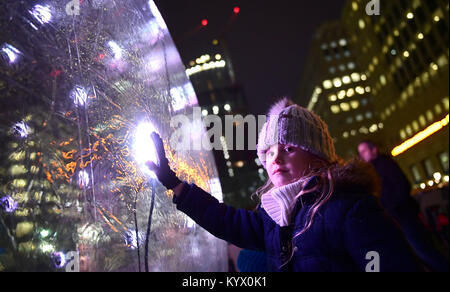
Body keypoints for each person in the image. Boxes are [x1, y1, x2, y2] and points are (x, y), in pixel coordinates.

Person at [147, 98, 424, 272]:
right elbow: (228, 221)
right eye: (268, 152)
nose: (276, 157)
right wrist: (176, 185)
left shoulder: (349, 207)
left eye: (290, 148)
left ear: (317, 155)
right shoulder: (275, 216)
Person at [358, 141, 449, 272]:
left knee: (423, 250)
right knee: (417, 253)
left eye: (364, 151)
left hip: (403, 216)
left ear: (374, 150)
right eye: (360, 152)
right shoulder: (374, 169)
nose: (362, 155)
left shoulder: (385, 164)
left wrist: (390, 208)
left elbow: (402, 187)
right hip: (396, 217)